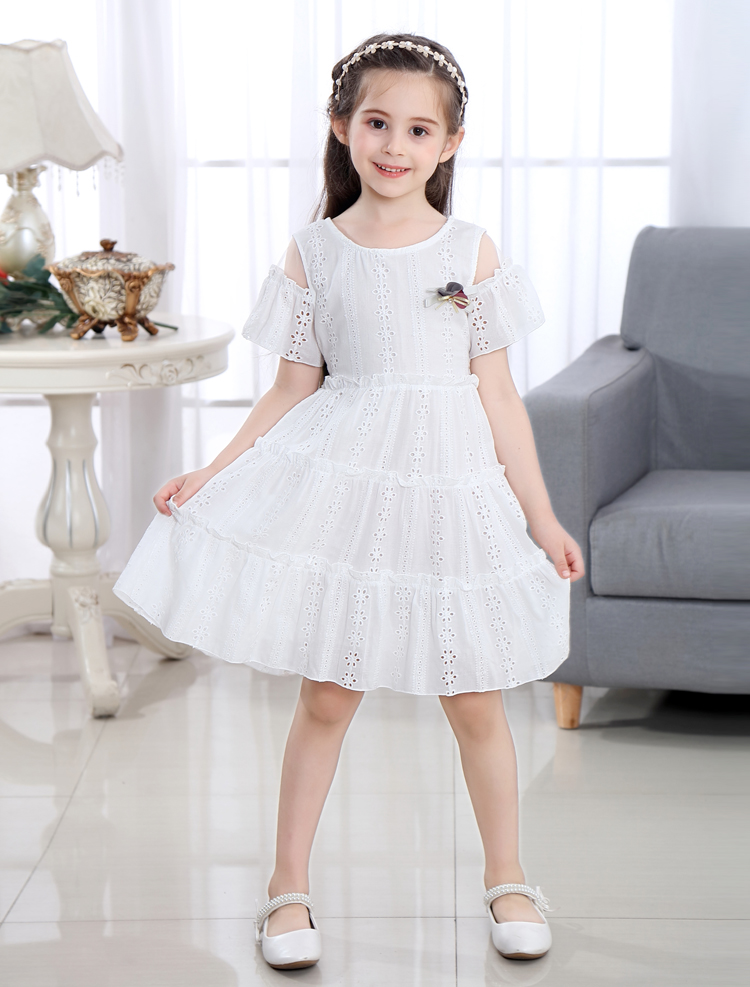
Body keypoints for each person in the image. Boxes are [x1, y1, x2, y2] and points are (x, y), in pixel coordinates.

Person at [114, 32, 585, 971]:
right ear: (341, 127)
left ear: (449, 144)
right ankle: (287, 886)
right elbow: (291, 389)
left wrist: (541, 517)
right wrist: (212, 472)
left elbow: (498, 394)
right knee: (328, 695)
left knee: (476, 698)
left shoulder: (469, 250)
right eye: (377, 123)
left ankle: (509, 876)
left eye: (418, 129)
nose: (394, 145)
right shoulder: (315, 252)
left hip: (451, 490)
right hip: (352, 485)